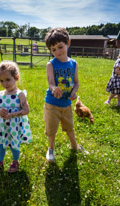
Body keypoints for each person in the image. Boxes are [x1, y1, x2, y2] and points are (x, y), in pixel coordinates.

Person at [44, 27, 86, 162]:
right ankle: (51, 149)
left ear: (68, 43)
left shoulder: (74, 64)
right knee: (51, 129)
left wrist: (74, 92)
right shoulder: (51, 64)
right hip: (52, 104)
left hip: (67, 103)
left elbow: (76, 82)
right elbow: (50, 83)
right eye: (53, 49)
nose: (57, 52)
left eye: (60, 47)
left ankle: (75, 146)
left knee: (69, 127)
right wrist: (54, 88)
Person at [0, 61, 32, 172]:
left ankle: (15, 161)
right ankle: (0, 160)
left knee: (14, 143)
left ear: (16, 77)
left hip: (15, 126)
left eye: (8, 80)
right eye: (1, 81)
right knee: (1, 143)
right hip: (2, 126)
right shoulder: (0, 95)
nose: (5, 84)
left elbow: (26, 110)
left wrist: (12, 114)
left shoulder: (20, 94)